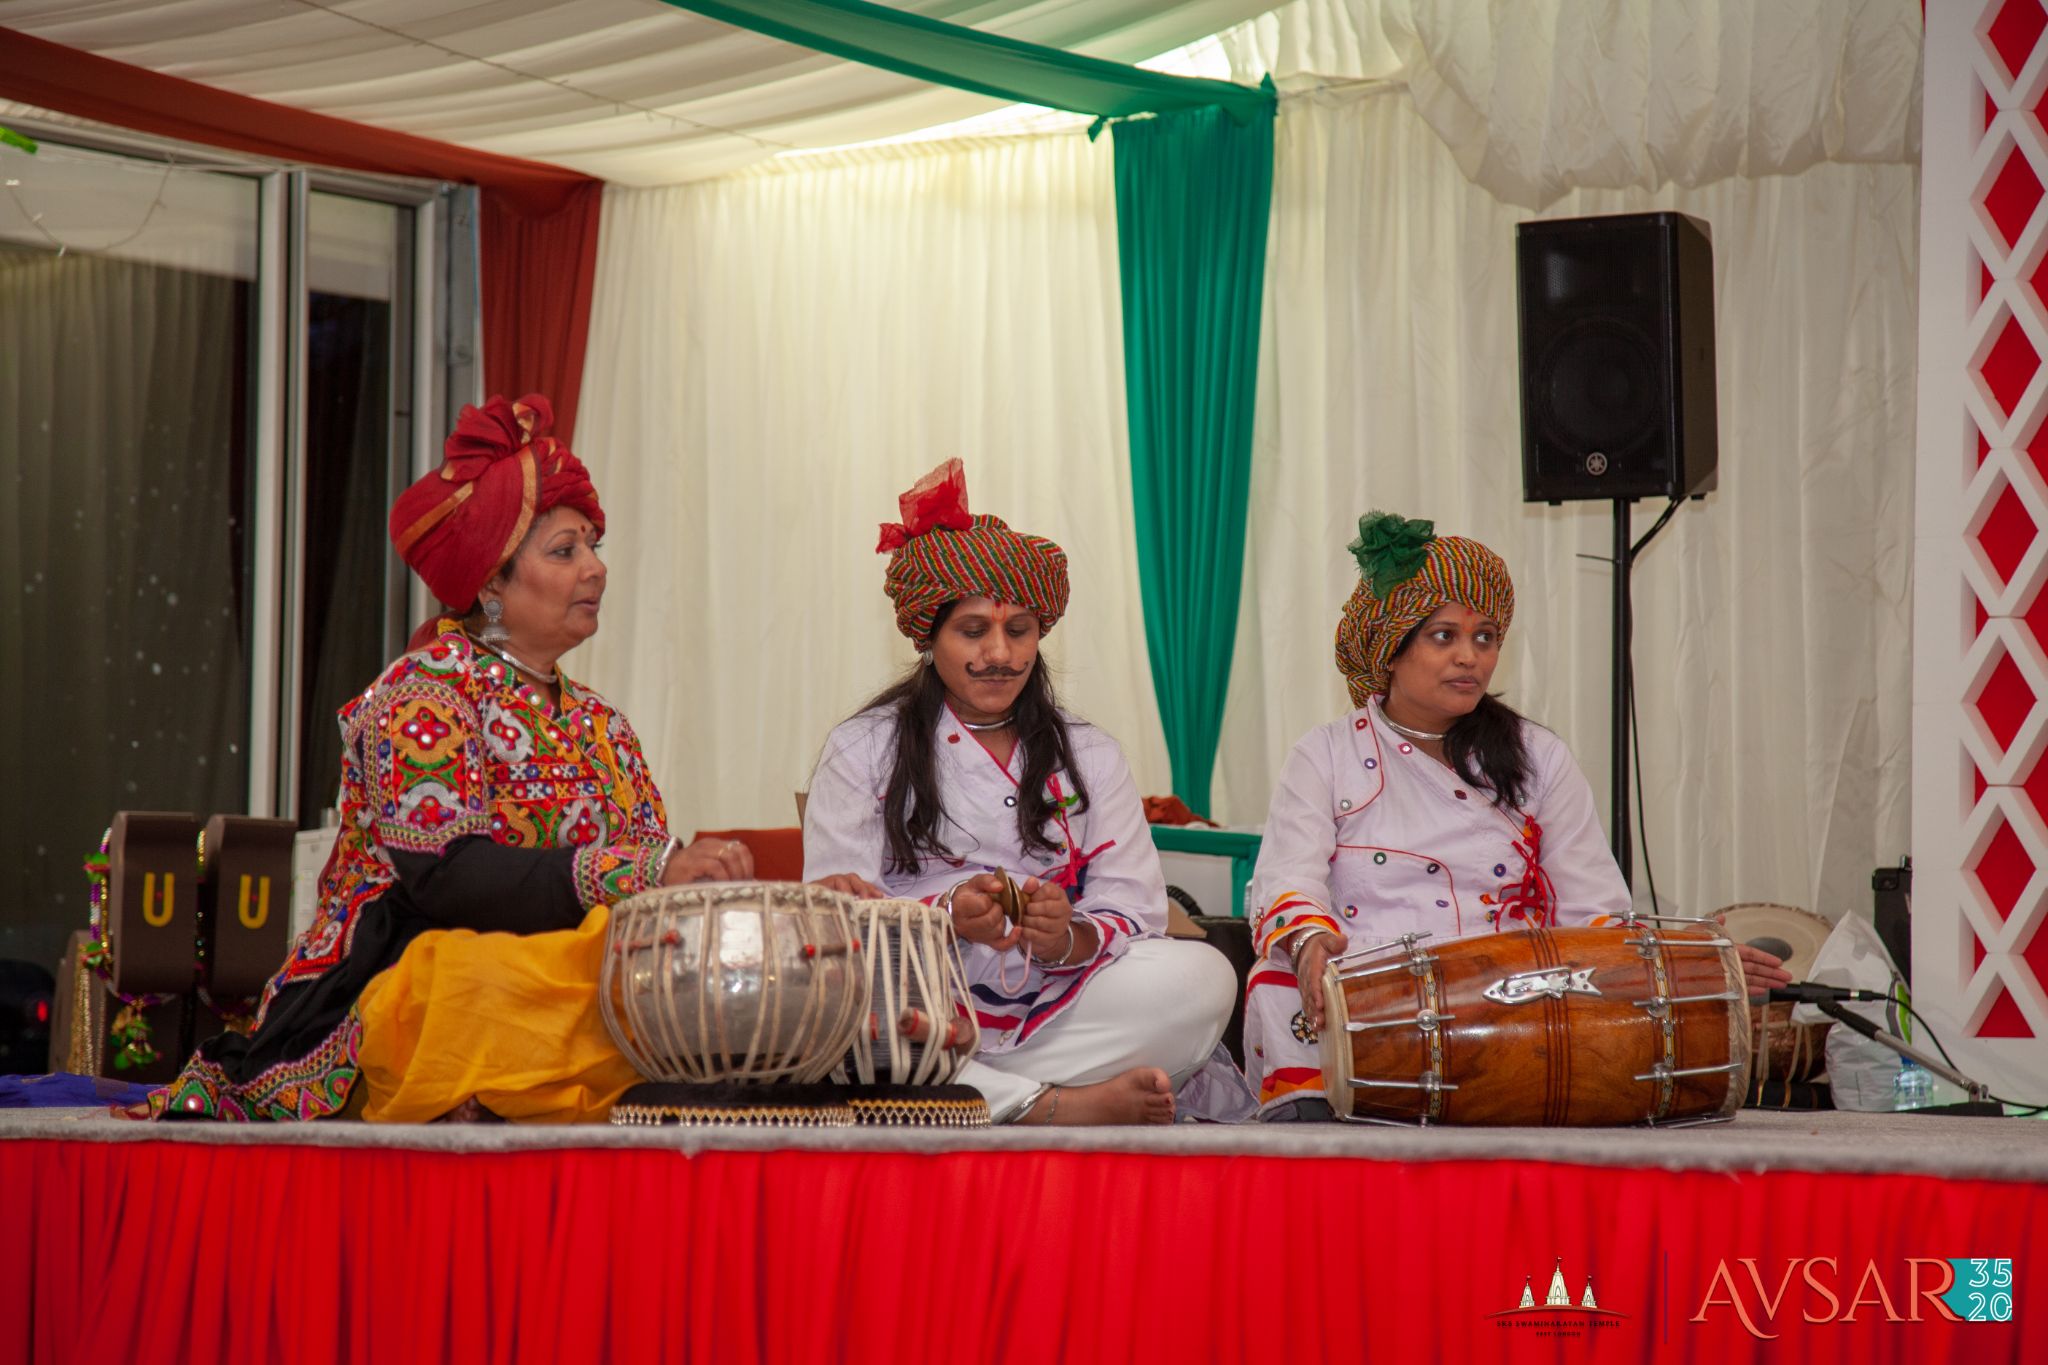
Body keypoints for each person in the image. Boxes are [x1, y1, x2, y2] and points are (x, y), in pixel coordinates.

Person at [147, 395, 751, 1121]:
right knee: (469, 976)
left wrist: (723, 894)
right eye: (566, 550)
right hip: (410, 981)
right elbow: (446, 878)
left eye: (593, 544)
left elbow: (643, 891)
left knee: (675, 972)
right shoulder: (422, 695)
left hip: (566, 981)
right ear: (491, 584)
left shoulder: (604, 727)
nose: (595, 568)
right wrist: (646, 869)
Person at [1244, 512, 1791, 1120]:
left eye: (1485, 637)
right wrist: (1312, 941)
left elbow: (1592, 909)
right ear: (1390, 649)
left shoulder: (1536, 756)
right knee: (1279, 977)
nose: (1469, 658)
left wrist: (1686, 960)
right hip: (1362, 997)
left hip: (1506, 1005)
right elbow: (1287, 875)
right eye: (1443, 636)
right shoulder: (1326, 753)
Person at [803, 460, 1244, 1125]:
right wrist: (947, 914)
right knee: (837, 994)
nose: (1000, 654)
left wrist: (1064, 938)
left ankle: (969, 1089)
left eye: (1019, 631)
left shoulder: (1089, 752)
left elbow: (1135, 906)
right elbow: (836, 913)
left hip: (1057, 999)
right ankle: (1051, 1102)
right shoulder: (863, 746)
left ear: (1041, 635)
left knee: (1205, 977)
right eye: (972, 630)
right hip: (922, 999)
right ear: (930, 638)